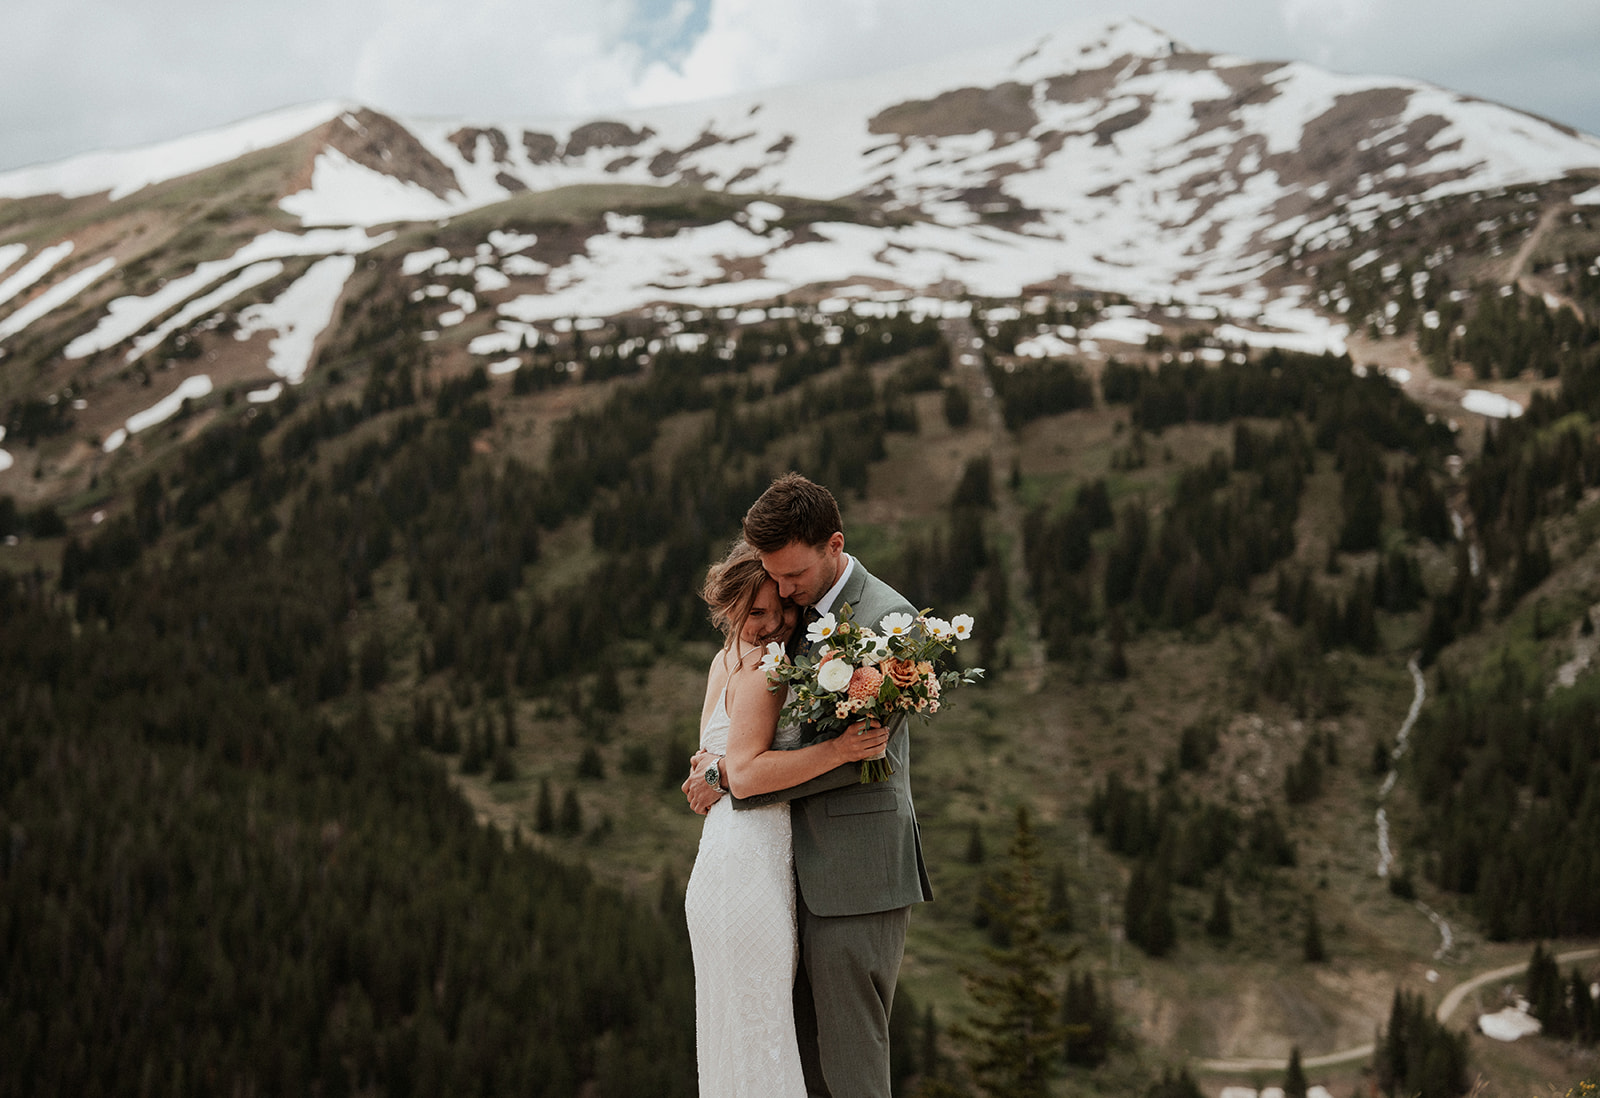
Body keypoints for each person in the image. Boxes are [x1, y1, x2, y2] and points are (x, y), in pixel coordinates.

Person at [688, 473, 933, 1098]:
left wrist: (731, 776)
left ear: (835, 543)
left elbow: (860, 756)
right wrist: (717, 758)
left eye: (793, 575)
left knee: (852, 1064)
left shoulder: (891, 620)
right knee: (795, 1064)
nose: (784, 589)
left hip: (855, 875)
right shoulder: (788, 616)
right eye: (776, 576)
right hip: (778, 875)